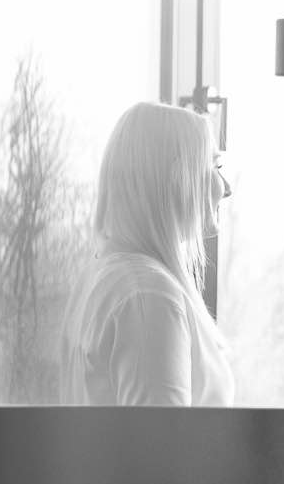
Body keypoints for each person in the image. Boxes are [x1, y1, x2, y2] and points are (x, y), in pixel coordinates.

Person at [65, 101, 239, 406]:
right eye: (214, 166)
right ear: (176, 177)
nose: (225, 188)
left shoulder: (105, 278)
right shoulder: (149, 295)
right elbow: (160, 447)